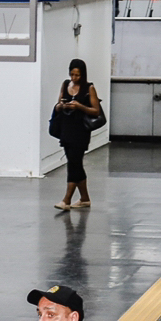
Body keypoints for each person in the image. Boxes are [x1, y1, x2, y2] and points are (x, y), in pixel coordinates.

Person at [52, 58, 103, 212]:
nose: (74, 78)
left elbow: (96, 111)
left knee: (74, 162)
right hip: (66, 129)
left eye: (77, 75)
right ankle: (85, 199)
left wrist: (80, 106)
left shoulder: (89, 88)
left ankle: (66, 200)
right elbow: (57, 104)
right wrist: (60, 106)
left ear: (83, 75)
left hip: (80, 130)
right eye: (72, 74)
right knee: (75, 163)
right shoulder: (65, 85)